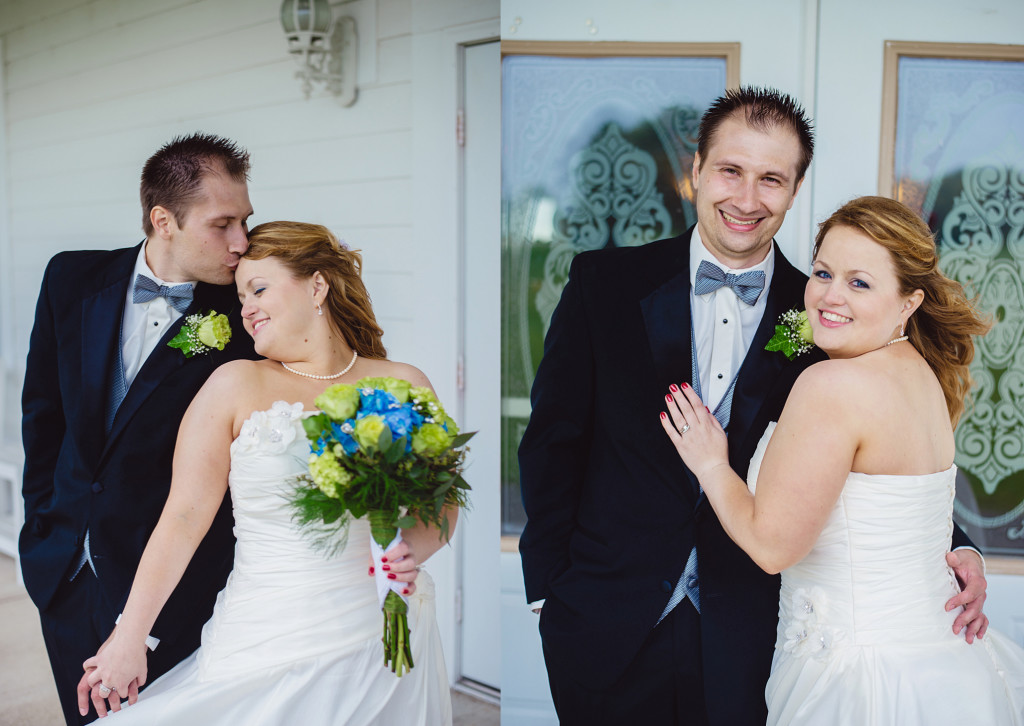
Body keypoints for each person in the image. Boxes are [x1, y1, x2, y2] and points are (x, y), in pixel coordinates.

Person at [518, 87, 989, 725]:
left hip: (750, 637)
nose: (746, 199)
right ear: (696, 172)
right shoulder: (605, 284)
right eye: (731, 171)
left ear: (795, 190)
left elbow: (874, 459)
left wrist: (953, 547)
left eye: (771, 179)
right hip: (605, 621)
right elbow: (553, 440)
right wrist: (548, 591)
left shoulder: (823, 313)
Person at [662, 195, 1024, 724]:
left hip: (854, 678)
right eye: (822, 272)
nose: (829, 297)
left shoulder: (832, 385)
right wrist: (967, 552)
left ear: (909, 302)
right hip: (941, 663)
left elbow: (771, 547)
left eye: (860, 282)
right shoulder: (923, 374)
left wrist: (712, 464)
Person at [76, 221, 455, 724]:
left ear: (316, 286)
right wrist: (130, 636)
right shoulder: (234, 384)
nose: (245, 307)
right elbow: (184, 517)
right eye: (239, 295)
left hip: (381, 631)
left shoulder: (404, 383)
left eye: (258, 288)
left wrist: (410, 550)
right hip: (265, 631)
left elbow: (444, 504)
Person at [20, 133, 258, 726]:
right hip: (66, 575)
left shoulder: (247, 315)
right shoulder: (70, 280)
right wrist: (40, 531)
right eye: (223, 224)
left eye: (245, 221)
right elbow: (42, 415)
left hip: (180, 593)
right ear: (163, 220)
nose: (242, 242)